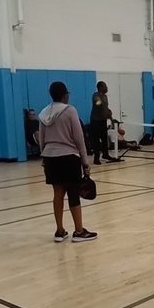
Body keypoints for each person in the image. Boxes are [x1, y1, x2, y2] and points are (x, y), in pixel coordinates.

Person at [38, 81, 96, 242]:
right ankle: (78, 231)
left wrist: (45, 157)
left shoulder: (43, 113)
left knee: (58, 193)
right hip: (69, 157)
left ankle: (59, 231)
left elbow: (41, 139)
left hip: (50, 157)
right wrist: (85, 162)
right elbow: (79, 139)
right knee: (73, 193)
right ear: (65, 95)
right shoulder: (70, 111)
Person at [90, 81, 110, 165]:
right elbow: (97, 103)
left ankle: (105, 154)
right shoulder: (96, 95)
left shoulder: (105, 96)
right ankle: (96, 158)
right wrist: (99, 102)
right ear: (101, 88)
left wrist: (110, 115)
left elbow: (106, 108)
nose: (107, 88)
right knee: (96, 140)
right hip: (96, 121)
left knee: (104, 138)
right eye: (105, 86)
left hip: (103, 120)